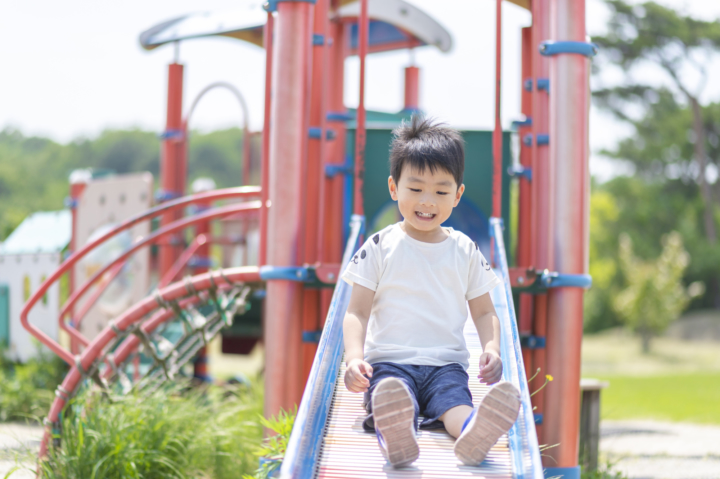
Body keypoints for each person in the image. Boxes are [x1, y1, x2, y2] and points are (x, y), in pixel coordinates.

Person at [341, 115, 521, 468]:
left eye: (441, 191)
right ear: (394, 189)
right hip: (390, 364)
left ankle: (473, 433)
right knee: (392, 400)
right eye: (416, 188)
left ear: (458, 195)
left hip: (445, 365)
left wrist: (492, 348)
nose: (428, 201)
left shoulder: (465, 249)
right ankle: (397, 436)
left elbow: (485, 312)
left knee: (455, 405)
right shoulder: (379, 246)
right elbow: (357, 312)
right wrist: (353, 358)